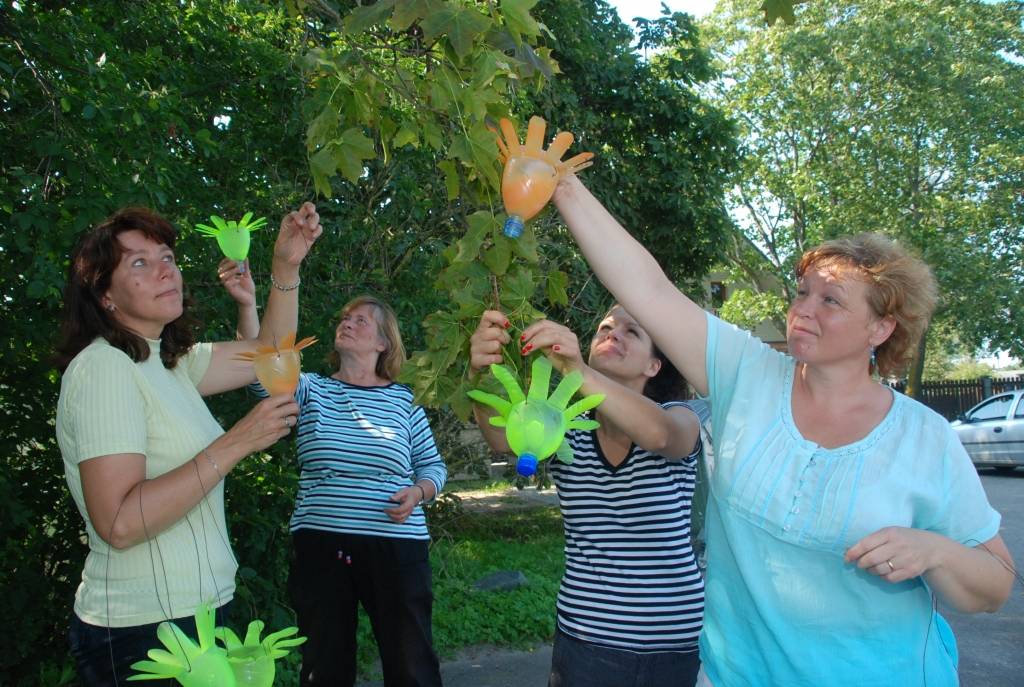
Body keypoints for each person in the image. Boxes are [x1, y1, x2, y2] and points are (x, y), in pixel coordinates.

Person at [550, 173, 1017, 686]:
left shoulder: (923, 436)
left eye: (830, 300)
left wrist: (935, 550)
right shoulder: (744, 375)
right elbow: (647, 287)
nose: (802, 310)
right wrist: (560, 184)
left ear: (880, 329)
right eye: (801, 293)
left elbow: (994, 585)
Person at [55, 203, 323, 685]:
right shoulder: (103, 369)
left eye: (167, 257)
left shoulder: (166, 362)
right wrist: (236, 441)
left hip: (195, 617)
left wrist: (286, 266)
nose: (166, 270)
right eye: (139, 262)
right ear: (104, 294)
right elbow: (118, 523)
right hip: (144, 632)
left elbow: (271, 356)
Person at [469, 305, 708, 687]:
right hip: (586, 644)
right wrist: (481, 374)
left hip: (675, 646)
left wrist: (577, 371)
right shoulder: (564, 427)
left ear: (654, 366)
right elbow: (503, 440)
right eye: (606, 326)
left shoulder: (680, 416)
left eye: (633, 332)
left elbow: (661, 436)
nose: (613, 333)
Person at [229, 287, 448, 687]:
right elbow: (261, 374)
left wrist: (418, 493)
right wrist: (247, 304)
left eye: (360, 320)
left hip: (396, 543)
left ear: (383, 342)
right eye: (344, 319)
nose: (346, 323)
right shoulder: (312, 388)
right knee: (324, 664)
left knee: (411, 662)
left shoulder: (405, 400)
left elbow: (433, 467)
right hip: (322, 543)